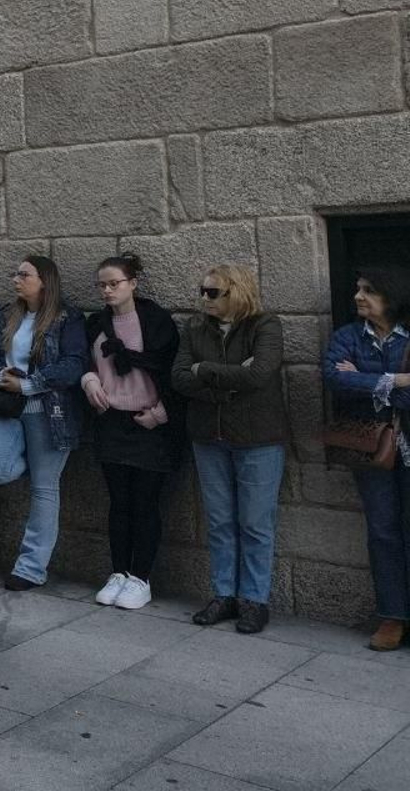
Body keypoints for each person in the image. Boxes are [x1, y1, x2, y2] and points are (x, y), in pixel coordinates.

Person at [172, 264, 286, 636]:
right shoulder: (194, 327)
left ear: (236, 292)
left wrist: (203, 370)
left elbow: (259, 375)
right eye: (202, 291)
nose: (204, 298)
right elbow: (179, 378)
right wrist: (224, 379)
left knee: (255, 523)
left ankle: (254, 601)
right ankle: (224, 594)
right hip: (209, 436)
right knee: (219, 521)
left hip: (257, 438)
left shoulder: (265, 325)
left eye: (212, 292)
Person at [0, 256, 86, 591]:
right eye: (16, 273)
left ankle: (31, 568)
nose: (16, 280)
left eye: (24, 274)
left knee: (44, 489)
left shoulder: (68, 318)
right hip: (9, 408)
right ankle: (37, 462)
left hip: (48, 412)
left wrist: (29, 384)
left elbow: (74, 364)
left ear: (45, 280)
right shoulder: (9, 314)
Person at [82, 254, 181, 611]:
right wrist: (89, 379)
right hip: (111, 420)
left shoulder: (156, 322)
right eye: (102, 285)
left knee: (146, 503)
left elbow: (173, 371)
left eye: (114, 283)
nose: (107, 291)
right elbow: (87, 361)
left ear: (133, 283)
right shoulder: (96, 322)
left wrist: (160, 414)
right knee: (119, 503)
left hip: (149, 422)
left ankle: (141, 577)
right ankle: (118, 572)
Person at [324, 267, 410, 651]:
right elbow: (335, 379)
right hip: (373, 448)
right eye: (358, 289)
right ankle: (394, 615)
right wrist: (399, 380)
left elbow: (353, 382)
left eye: (369, 291)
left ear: (391, 297)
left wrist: (367, 380)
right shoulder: (347, 336)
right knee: (383, 530)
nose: (358, 296)